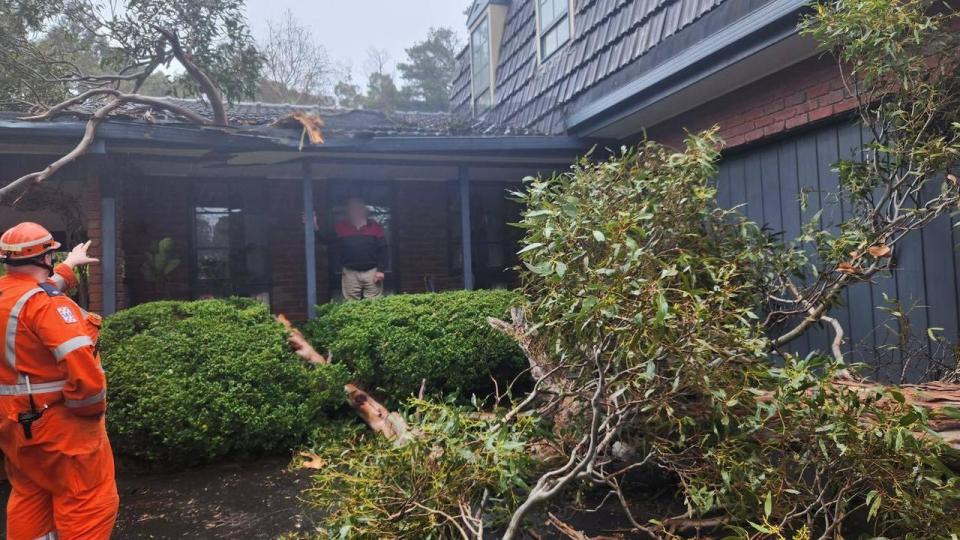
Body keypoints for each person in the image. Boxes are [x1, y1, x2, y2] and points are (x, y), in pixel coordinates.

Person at [0, 222, 118, 540]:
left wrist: (69, 267)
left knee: (30, 495)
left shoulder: (7, 295)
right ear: (45, 257)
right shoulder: (49, 306)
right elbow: (86, 378)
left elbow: (34, 293)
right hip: (62, 432)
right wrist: (90, 415)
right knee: (88, 502)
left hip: (15, 426)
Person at [333, 197, 388, 301]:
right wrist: (314, 226)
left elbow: (383, 250)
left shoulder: (375, 227)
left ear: (364, 210)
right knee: (351, 305)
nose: (355, 211)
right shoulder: (340, 227)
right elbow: (327, 239)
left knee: (374, 305)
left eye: (358, 208)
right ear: (348, 211)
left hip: (372, 272)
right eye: (352, 208)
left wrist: (381, 270)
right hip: (350, 273)